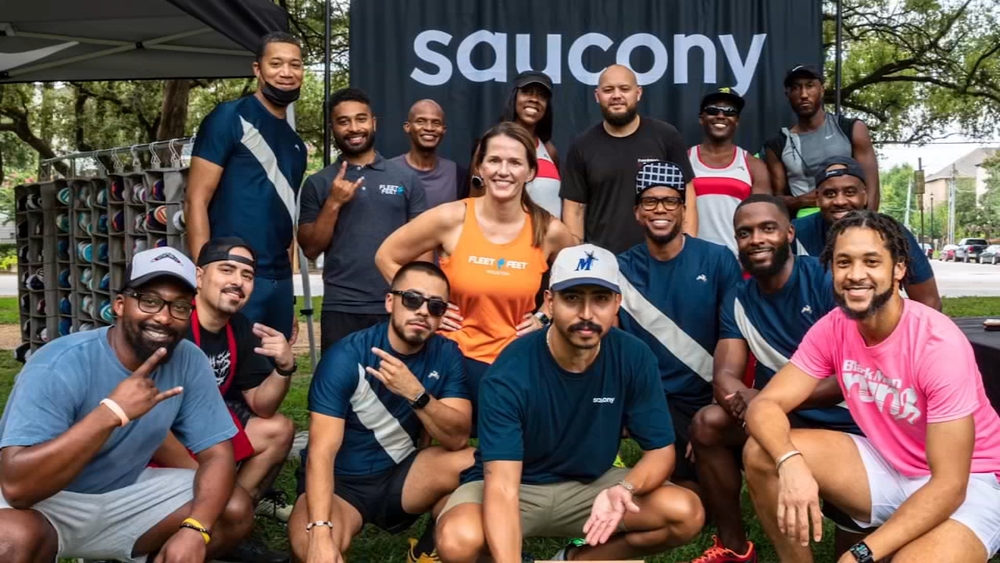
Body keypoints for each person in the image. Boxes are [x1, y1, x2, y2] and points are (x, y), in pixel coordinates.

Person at [743, 210, 1000, 562]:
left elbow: (950, 486)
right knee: (762, 453)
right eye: (843, 262)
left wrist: (861, 553)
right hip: (892, 464)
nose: (855, 274)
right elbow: (765, 404)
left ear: (898, 269)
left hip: (972, 482)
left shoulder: (937, 343)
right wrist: (790, 462)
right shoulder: (834, 326)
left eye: (871, 261)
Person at [434, 244, 704, 563]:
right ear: (549, 302)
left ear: (617, 303)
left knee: (685, 512)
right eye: (572, 298)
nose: (586, 314)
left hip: (593, 485)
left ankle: (573, 560)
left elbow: (661, 452)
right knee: (458, 540)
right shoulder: (510, 372)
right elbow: (502, 488)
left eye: (600, 299)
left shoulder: (634, 356)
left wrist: (625, 489)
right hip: (518, 486)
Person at [0, 247, 252, 562]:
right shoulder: (59, 362)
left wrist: (195, 529)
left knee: (232, 508)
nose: (163, 317)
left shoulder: (189, 360)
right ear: (120, 305)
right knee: (8, 540)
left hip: (124, 494)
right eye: (149, 301)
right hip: (47, 503)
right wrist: (112, 412)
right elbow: (17, 488)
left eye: (179, 306)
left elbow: (217, 455)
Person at [686, 195, 861, 563]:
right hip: (785, 416)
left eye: (768, 228)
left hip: (850, 422)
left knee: (851, 551)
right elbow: (725, 376)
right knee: (707, 424)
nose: (756, 239)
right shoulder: (739, 297)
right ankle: (733, 546)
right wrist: (761, 405)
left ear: (789, 233)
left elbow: (849, 379)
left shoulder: (826, 279)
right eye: (745, 232)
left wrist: (766, 401)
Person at [375, 121, 576, 406]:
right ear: (480, 167)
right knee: (449, 432)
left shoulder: (549, 230)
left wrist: (545, 316)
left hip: (518, 363)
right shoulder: (452, 218)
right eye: (494, 160)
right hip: (453, 362)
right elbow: (386, 256)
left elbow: (576, 281)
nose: (503, 171)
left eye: (515, 162)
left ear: (530, 171)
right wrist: (426, 306)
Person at [288, 261, 474, 563]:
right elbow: (321, 453)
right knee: (314, 549)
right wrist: (320, 531)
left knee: (477, 464)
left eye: (435, 306)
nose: (423, 311)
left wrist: (417, 394)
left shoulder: (446, 353)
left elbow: (458, 438)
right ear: (390, 301)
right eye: (412, 299)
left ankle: (429, 548)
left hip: (403, 477)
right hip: (342, 486)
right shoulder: (346, 356)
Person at [616, 160, 743, 488]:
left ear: (684, 210)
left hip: (705, 395)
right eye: (650, 202)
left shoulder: (718, 259)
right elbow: (613, 345)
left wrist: (716, 405)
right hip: (652, 399)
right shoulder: (620, 269)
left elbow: (732, 333)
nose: (660, 209)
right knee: (683, 491)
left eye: (670, 201)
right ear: (637, 212)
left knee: (708, 486)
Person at [185, 32, 307, 339]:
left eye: (295, 64)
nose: (286, 72)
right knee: (227, 363)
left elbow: (286, 220)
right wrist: (204, 277)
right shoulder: (228, 117)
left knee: (275, 363)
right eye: (276, 63)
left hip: (278, 281)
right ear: (257, 69)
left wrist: (289, 297)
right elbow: (195, 200)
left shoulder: (296, 145)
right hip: (232, 274)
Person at [298, 87, 428, 353]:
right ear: (333, 128)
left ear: (373, 123)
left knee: (396, 378)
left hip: (396, 304)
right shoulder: (318, 182)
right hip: (342, 306)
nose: (354, 128)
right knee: (339, 379)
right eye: (343, 121)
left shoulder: (406, 179)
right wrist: (333, 203)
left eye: (361, 119)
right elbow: (310, 248)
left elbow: (423, 246)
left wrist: (418, 297)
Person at [561, 64, 697, 254]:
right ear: (597, 96)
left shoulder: (666, 136)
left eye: (624, 89)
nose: (616, 95)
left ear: (638, 93)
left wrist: (688, 251)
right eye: (608, 90)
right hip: (603, 260)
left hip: (660, 258)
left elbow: (687, 198)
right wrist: (575, 258)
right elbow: (575, 209)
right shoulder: (582, 145)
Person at [793, 156, 941, 311]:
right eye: (830, 194)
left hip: (879, 323)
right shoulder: (796, 233)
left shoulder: (892, 233)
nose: (840, 201)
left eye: (850, 192)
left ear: (864, 195)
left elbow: (929, 301)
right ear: (817, 198)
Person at [763, 64, 880, 217]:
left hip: (850, 218)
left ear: (822, 90)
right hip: (807, 221)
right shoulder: (778, 143)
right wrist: (802, 200)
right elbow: (776, 200)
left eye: (810, 85)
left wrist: (866, 224)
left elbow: (872, 186)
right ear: (788, 94)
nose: (804, 94)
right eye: (796, 88)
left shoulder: (851, 128)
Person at [689, 87, 771, 255]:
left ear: (737, 121)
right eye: (713, 110)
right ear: (701, 118)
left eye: (729, 111)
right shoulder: (685, 160)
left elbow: (762, 219)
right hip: (693, 260)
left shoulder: (754, 165)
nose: (721, 115)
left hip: (738, 261)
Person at [492, 70, 562, 218]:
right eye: (527, 92)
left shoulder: (550, 151)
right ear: (514, 97)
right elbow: (476, 200)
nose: (534, 99)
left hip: (550, 233)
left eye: (541, 96)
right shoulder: (492, 145)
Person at [391, 99, 468, 208]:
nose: (429, 128)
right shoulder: (389, 170)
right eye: (421, 121)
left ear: (444, 130)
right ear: (407, 127)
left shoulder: (456, 173)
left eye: (436, 123)